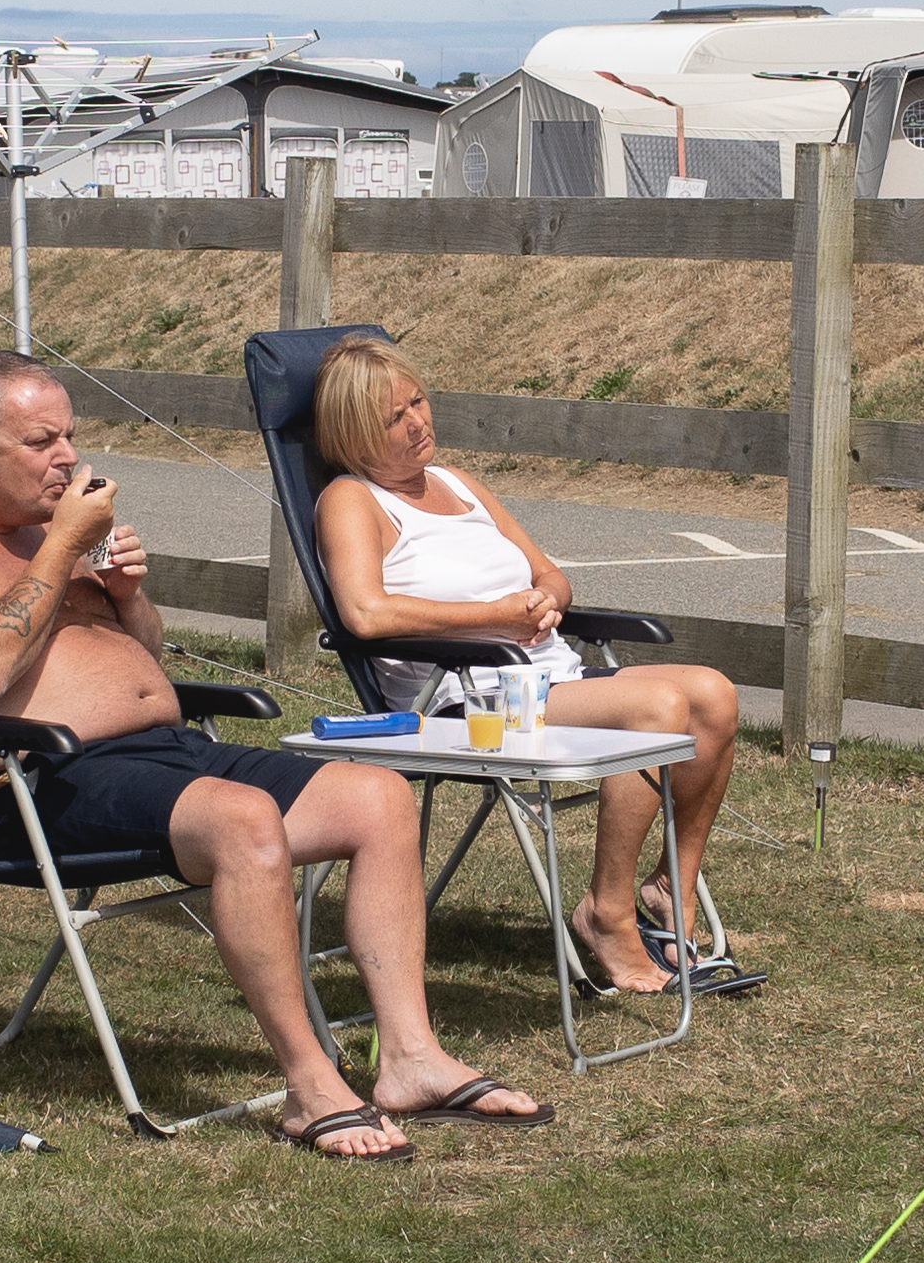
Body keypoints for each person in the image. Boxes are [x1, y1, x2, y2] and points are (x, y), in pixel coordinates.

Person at [0, 350, 543, 1160]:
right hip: (28, 782)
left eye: (69, 435)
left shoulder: (43, 532)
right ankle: (310, 1083)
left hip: (159, 753)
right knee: (244, 821)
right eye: (40, 441)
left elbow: (144, 656)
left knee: (377, 796)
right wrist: (61, 548)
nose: (67, 457)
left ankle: (412, 1059)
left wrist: (124, 596)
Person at [305, 335, 757, 999]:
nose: (418, 423)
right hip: (466, 700)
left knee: (712, 695)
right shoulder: (353, 499)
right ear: (351, 437)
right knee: (656, 708)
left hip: (549, 677)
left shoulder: (458, 484)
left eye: (419, 402)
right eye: (392, 418)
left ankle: (670, 890)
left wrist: (546, 601)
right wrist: (492, 615)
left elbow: (549, 574)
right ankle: (606, 914)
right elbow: (364, 615)